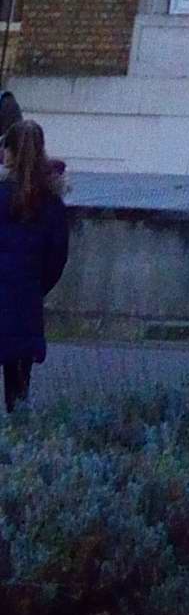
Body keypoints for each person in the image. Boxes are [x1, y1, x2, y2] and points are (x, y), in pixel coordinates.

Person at [0, 121, 70, 415]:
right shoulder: (51, 203)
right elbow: (57, 256)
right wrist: (37, 285)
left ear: (9, 152)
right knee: (18, 384)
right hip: (26, 296)